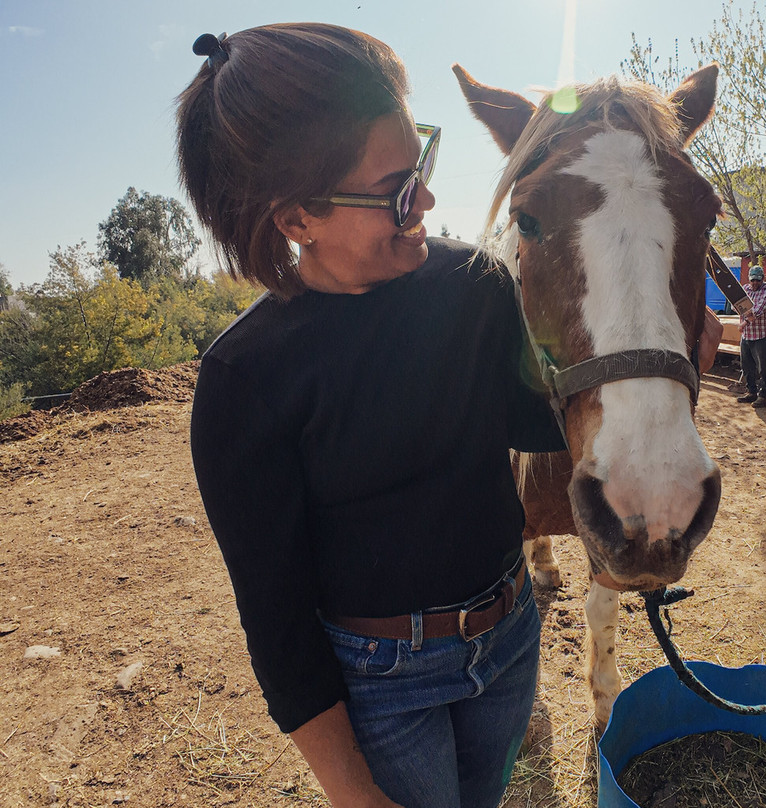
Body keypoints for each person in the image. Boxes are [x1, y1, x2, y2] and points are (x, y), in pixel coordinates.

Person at [175, 24, 571, 808]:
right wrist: (355, 794)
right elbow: (279, 628)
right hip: (382, 688)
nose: (425, 199)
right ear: (297, 220)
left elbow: (542, 430)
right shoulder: (243, 381)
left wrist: (638, 363)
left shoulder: (478, 285)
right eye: (396, 188)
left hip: (511, 641)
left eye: (421, 161)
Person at [735, 265, 766, 408]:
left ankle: (763, 395)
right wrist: (746, 314)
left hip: (762, 336)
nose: (755, 283)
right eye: (753, 280)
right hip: (747, 336)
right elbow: (738, 306)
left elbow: (756, 312)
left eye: (758, 280)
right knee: (746, 366)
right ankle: (751, 391)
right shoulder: (745, 289)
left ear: (763, 279)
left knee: (763, 367)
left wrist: (744, 322)